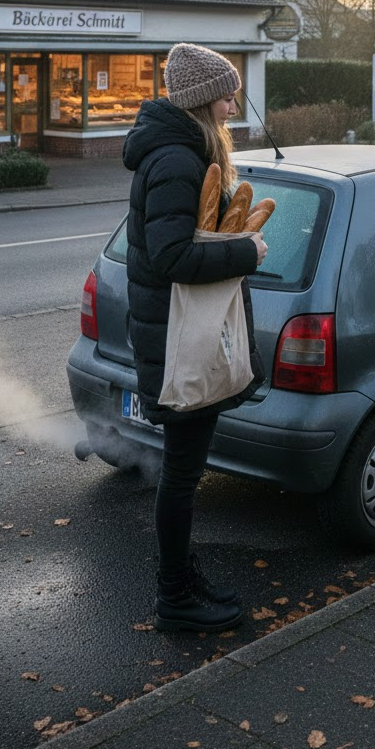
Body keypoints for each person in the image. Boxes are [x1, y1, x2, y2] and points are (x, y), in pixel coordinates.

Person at [122, 42, 268, 633]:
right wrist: (247, 251)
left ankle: (182, 577)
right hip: (177, 340)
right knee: (182, 474)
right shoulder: (178, 160)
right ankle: (176, 596)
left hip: (172, 332)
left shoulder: (177, 151)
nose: (234, 104)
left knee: (184, 469)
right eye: (228, 93)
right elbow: (172, 256)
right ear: (204, 100)